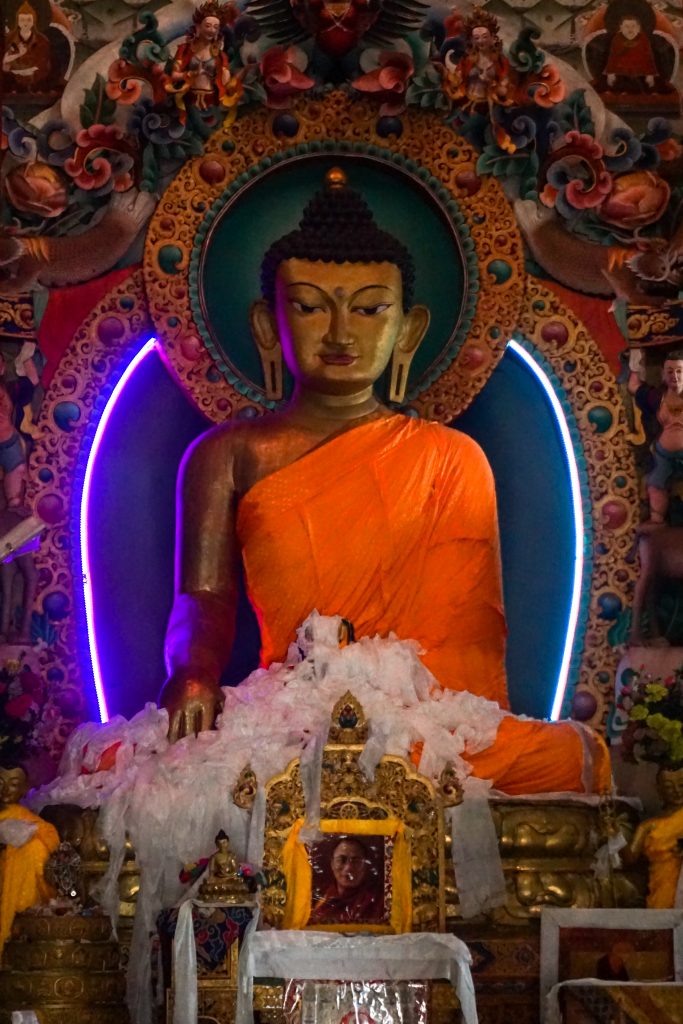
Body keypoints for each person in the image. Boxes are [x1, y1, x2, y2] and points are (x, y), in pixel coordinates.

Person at [160, 166, 610, 796]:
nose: (342, 332)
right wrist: (194, 673)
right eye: (312, 306)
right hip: (288, 716)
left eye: (371, 309)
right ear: (268, 324)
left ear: (409, 329)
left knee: (565, 759)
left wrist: (405, 709)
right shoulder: (230, 453)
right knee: (144, 764)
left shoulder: (452, 458)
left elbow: (467, 634)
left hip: (420, 718)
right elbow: (202, 599)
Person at [0, 765, 59, 953]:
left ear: (25, 788)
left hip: (19, 897)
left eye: (14, 784)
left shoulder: (34, 825)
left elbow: (50, 842)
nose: (5, 790)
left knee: (33, 849)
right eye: (0, 783)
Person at [628, 350, 683, 525]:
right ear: (663, 375)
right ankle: (657, 522)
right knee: (655, 483)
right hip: (663, 455)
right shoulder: (657, 397)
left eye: (679, 371)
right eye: (670, 371)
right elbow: (633, 387)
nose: (674, 375)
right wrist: (636, 361)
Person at [309, 837, 384, 924]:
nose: (348, 868)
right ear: (332, 864)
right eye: (341, 860)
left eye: (356, 861)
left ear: (365, 866)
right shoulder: (318, 900)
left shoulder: (378, 902)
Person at [2, 1, 52, 93]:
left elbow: (43, 64)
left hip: (35, 78)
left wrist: (30, 72)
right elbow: (4, 62)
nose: (25, 23)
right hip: (13, 78)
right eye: (22, 20)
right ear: (17, 21)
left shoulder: (42, 40)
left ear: (34, 21)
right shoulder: (9, 39)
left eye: (29, 20)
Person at [605, 16, 657, 92]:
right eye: (626, 26)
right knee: (615, 87)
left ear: (639, 28)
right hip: (621, 72)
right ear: (621, 28)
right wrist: (610, 73)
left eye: (633, 26)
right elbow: (613, 57)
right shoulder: (616, 39)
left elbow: (648, 57)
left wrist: (650, 75)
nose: (630, 29)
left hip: (640, 72)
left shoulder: (643, 39)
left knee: (645, 88)